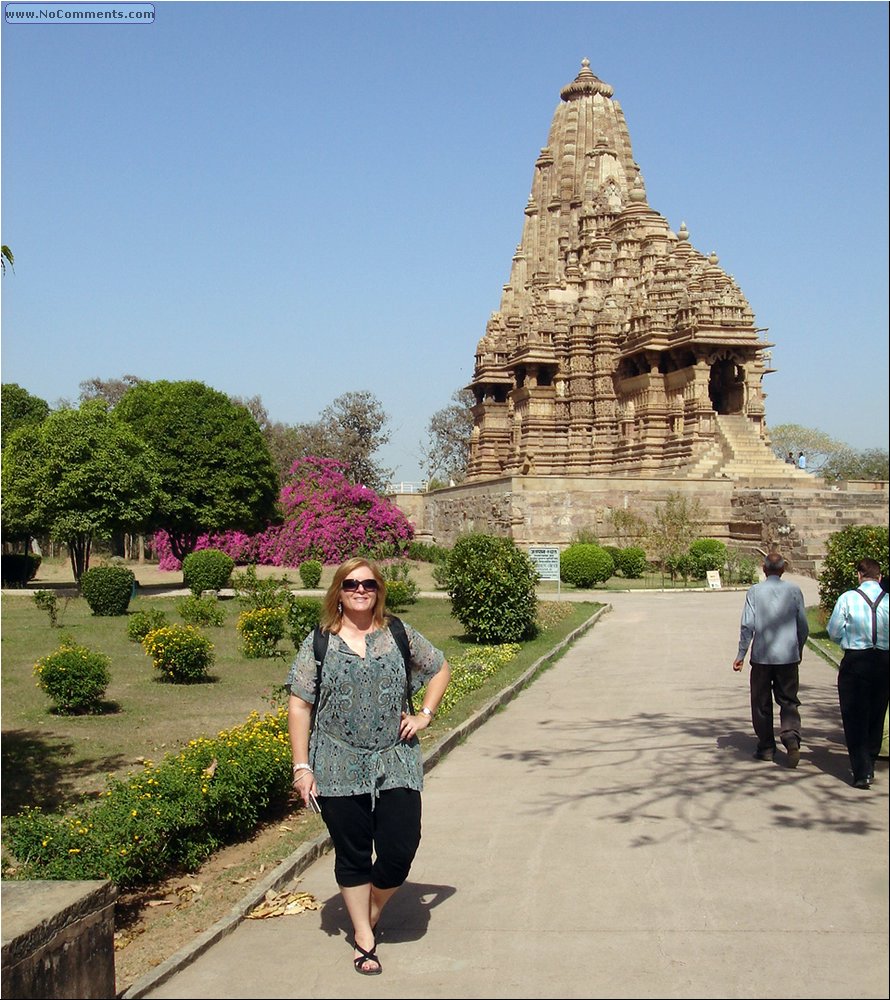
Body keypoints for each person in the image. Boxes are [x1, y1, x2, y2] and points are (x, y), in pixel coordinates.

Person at [286, 557, 450, 975]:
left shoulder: (397, 633)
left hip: (394, 757)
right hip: (337, 761)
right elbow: (300, 705)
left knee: (400, 846)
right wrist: (302, 767)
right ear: (338, 591)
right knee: (353, 852)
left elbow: (439, 668)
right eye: (351, 583)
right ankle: (363, 936)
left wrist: (425, 715)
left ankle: (369, 912)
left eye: (369, 584)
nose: (360, 590)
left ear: (379, 591)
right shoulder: (320, 641)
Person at [733, 552, 809, 766]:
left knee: (761, 702)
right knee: (789, 700)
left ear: (764, 569)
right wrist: (798, 649)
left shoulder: (755, 591)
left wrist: (741, 654)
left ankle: (766, 746)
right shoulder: (794, 590)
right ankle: (791, 737)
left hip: (762, 657)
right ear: (783, 569)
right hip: (787, 657)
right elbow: (803, 625)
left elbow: (747, 625)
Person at [826, 558, 889, 789]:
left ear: (859, 576)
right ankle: (870, 761)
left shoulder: (848, 598)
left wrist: (847, 640)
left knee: (854, 714)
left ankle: (861, 770)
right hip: (883, 661)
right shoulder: (888, 600)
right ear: (880, 577)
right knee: (876, 712)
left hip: (856, 659)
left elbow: (833, 631)